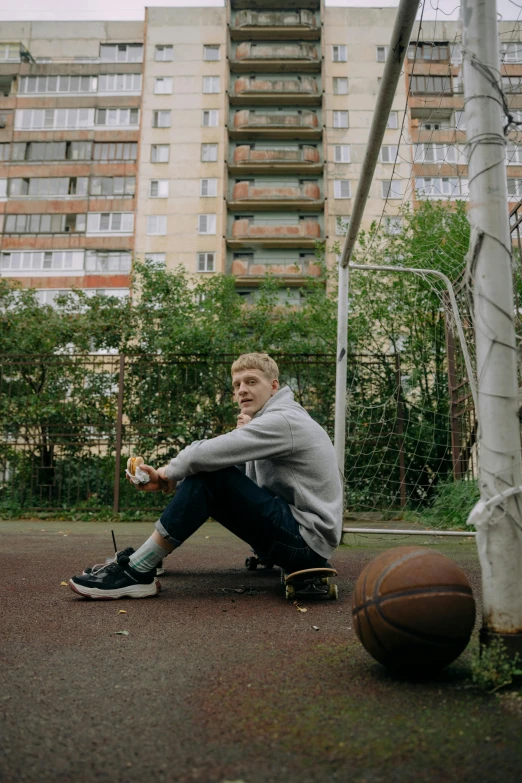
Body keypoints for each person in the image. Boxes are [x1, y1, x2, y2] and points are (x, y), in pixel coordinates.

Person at [69, 353, 343, 599]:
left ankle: (137, 570)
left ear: (273, 387)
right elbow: (236, 478)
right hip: (299, 536)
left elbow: (200, 456)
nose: (242, 390)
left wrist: (165, 473)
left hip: (307, 546)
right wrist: (174, 480)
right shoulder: (274, 420)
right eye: (236, 385)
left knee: (209, 476)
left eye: (251, 382)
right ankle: (145, 559)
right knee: (209, 473)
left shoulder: (283, 420)